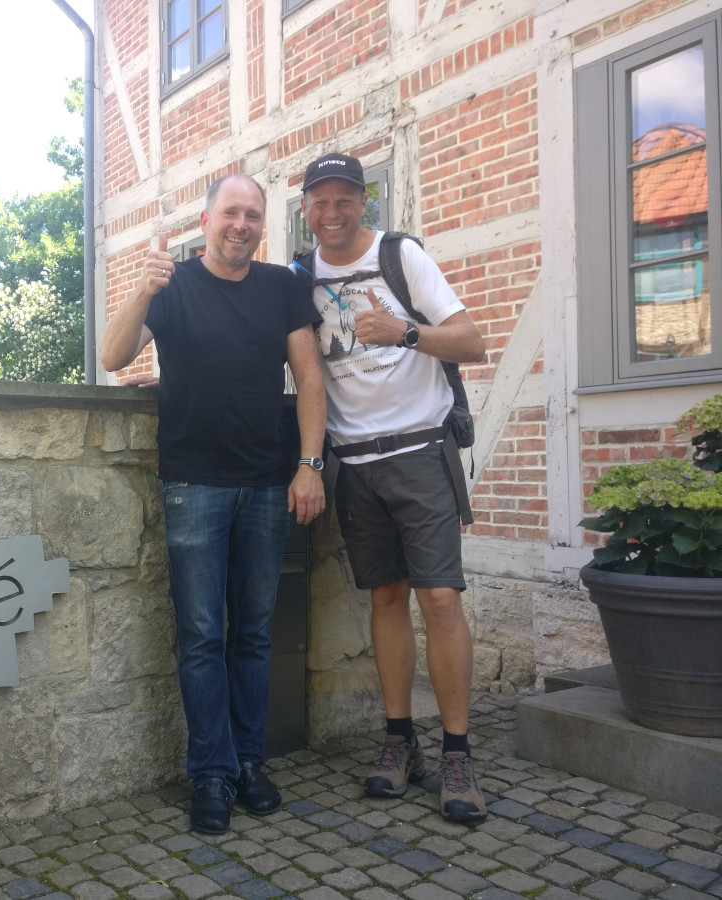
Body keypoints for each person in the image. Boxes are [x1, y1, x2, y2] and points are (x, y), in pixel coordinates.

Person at [100, 173, 328, 835]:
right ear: (207, 221)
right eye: (231, 212)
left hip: (266, 483)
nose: (242, 224)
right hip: (193, 484)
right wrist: (142, 286)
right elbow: (115, 355)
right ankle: (211, 773)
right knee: (203, 637)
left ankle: (249, 763)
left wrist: (309, 465)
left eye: (253, 215)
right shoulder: (172, 285)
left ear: (263, 225)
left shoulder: (281, 288)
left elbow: (309, 377)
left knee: (253, 634)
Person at [298, 152, 489, 823]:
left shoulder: (401, 256)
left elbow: (473, 341)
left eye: (344, 198)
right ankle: (399, 741)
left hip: (420, 451)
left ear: (363, 202)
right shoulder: (300, 276)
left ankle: (458, 752)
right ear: (305, 210)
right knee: (385, 596)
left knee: (439, 598)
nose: (333, 212)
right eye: (320, 201)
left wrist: (405, 331)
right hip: (355, 461)